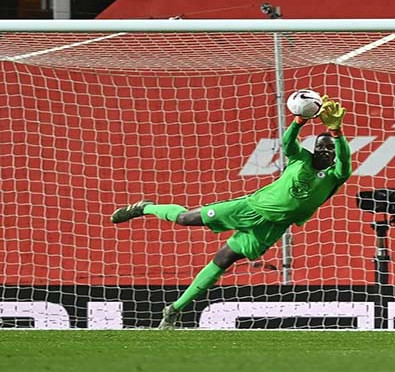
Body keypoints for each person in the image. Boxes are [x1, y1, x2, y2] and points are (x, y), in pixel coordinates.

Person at [110, 96, 351, 329]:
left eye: (329, 148)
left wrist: (336, 133)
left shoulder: (334, 176)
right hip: (248, 207)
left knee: (223, 260)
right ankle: (145, 207)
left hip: (270, 227)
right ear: (314, 148)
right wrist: (299, 121)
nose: (324, 151)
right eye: (320, 146)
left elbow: (345, 161)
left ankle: (173, 310)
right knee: (186, 218)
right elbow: (288, 143)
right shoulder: (300, 159)